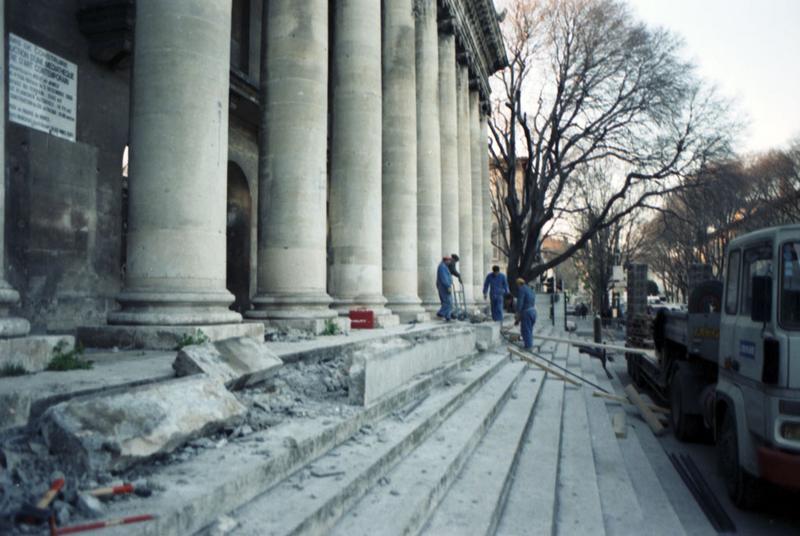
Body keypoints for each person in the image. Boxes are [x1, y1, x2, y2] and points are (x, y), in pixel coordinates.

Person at [515, 277, 537, 348]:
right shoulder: (530, 289)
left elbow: (520, 303)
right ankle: (529, 345)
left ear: (519, 284)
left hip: (527, 313)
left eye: (517, 285)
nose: (517, 287)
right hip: (533, 312)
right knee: (529, 330)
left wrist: (517, 314)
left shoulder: (521, 289)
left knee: (525, 331)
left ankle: (528, 348)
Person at [436, 256, 454, 321]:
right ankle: (440, 313)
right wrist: (448, 286)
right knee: (448, 302)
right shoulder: (442, 267)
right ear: (445, 260)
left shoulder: (444, 267)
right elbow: (444, 278)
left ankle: (448, 317)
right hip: (444, 287)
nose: (450, 262)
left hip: (444, 286)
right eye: (449, 260)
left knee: (448, 302)